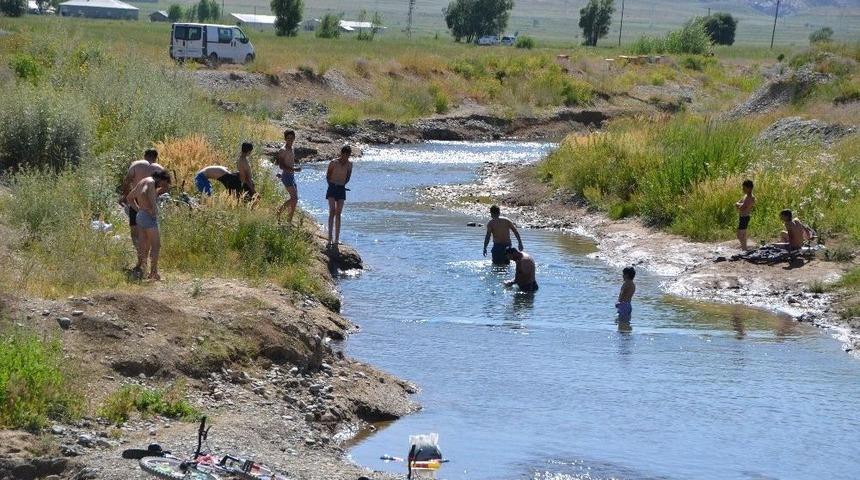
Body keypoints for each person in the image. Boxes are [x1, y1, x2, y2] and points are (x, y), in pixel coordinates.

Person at [119, 149, 165, 272]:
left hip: (136, 198)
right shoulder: (159, 168)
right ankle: (147, 261)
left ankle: (141, 260)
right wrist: (156, 194)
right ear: (156, 157)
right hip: (150, 202)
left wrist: (125, 196)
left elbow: (127, 180)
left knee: (136, 232)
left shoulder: (136, 164)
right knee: (150, 232)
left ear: (144, 155)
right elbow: (166, 186)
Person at [126, 170, 172, 281]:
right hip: (148, 217)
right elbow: (148, 194)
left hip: (140, 216)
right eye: (163, 183)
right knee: (156, 246)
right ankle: (153, 273)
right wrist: (154, 209)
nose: (163, 186)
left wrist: (139, 209)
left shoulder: (143, 181)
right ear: (161, 179)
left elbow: (129, 198)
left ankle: (144, 270)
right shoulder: (151, 183)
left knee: (144, 246)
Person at [325, 145, 353, 247]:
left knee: (339, 213)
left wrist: (342, 184)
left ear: (349, 155)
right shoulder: (333, 162)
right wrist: (331, 186)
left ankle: (336, 239)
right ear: (341, 153)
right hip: (332, 187)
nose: (345, 156)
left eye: (348, 155)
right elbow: (328, 175)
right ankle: (329, 238)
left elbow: (348, 176)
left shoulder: (350, 164)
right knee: (332, 211)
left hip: (341, 188)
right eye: (344, 154)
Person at [275, 130, 302, 225]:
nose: (290, 140)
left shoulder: (292, 147)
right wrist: (294, 169)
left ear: (294, 138)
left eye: (292, 138)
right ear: (285, 139)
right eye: (288, 138)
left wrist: (293, 169)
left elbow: (290, 161)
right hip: (286, 175)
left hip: (291, 175)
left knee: (295, 199)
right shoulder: (283, 150)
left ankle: (289, 221)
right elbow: (281, 166)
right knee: (294, 198)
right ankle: (278, 212)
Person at [735, 179, 756, 250]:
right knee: (742, 234)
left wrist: (738, 204)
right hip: (743, 217)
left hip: (745, 217)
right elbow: (740, 203)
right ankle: (744, 248)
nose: (742, 189)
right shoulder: (745, 196)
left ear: (749, 188)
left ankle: (744, 248)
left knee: (739, 234)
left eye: (744, 188)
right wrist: (739, 204)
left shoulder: (750, 197)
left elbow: (741, 207)